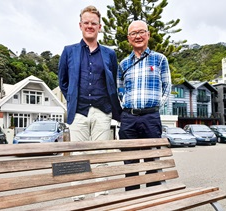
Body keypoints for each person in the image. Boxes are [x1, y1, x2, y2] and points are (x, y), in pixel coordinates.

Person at [58, 5, 122, 200]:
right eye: (86, 22)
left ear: (99, 26)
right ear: (80, 25)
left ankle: (101, 194)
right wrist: (73, 98)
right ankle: (78, 195)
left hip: (103, 111)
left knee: (101, 154)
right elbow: (63, 81)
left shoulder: (109, 54)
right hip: (79, 111)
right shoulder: (69, 51)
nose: (90, 26)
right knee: (78, 155)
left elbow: (114, 80)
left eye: (93, 23)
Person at [117, 20, 172, 191]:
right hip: (129, 118)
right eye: (133, 33)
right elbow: (119, 87)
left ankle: (152, 200)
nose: (138, 36)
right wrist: (125, 105)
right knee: (130, 162)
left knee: (152, 162)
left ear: (148, 35)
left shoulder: (160, 59)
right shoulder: (124, 63)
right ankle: (132, 201)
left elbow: (167, 87)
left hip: (151, 117)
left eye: (141, 32)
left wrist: (155, 106)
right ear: (128, 38)